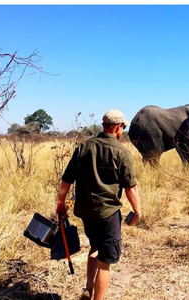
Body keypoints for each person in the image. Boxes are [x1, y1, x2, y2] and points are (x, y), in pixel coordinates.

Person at [55, 109, 141, 300]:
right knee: (106, 262)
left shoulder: (84, 147)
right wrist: (137, 211)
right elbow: (130, 188)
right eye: (123, 128)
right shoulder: (121, 152)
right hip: (108, 213)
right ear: (117, 127)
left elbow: (66, 181)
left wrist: (61, 204)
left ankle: (88, 288)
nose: (122, 132)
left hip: (86, 212)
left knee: (95, 246)